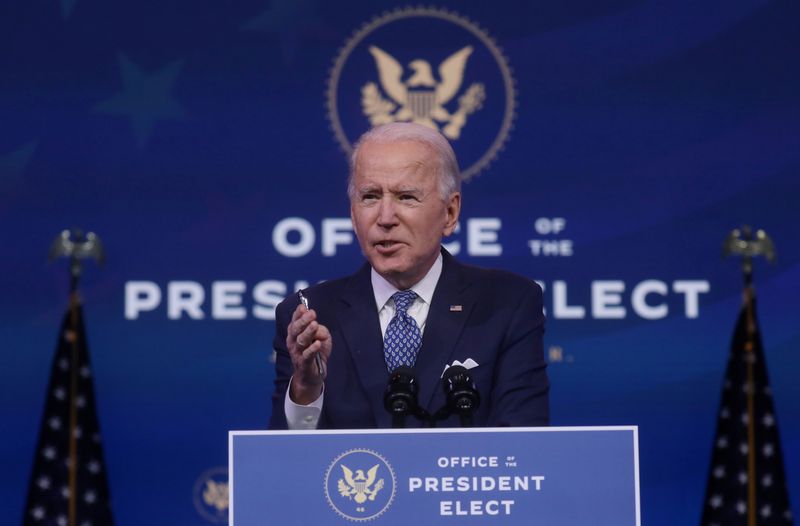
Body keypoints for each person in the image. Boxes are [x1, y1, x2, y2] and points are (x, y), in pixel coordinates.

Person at [269, 122, 549, 429]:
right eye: (370, 197)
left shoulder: (507, 304)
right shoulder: (310, 316)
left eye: (406, 197)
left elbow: (524, 447)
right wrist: (307, 389)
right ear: (353, 213)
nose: (386, 218)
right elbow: (284, 465)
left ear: (450, 213)